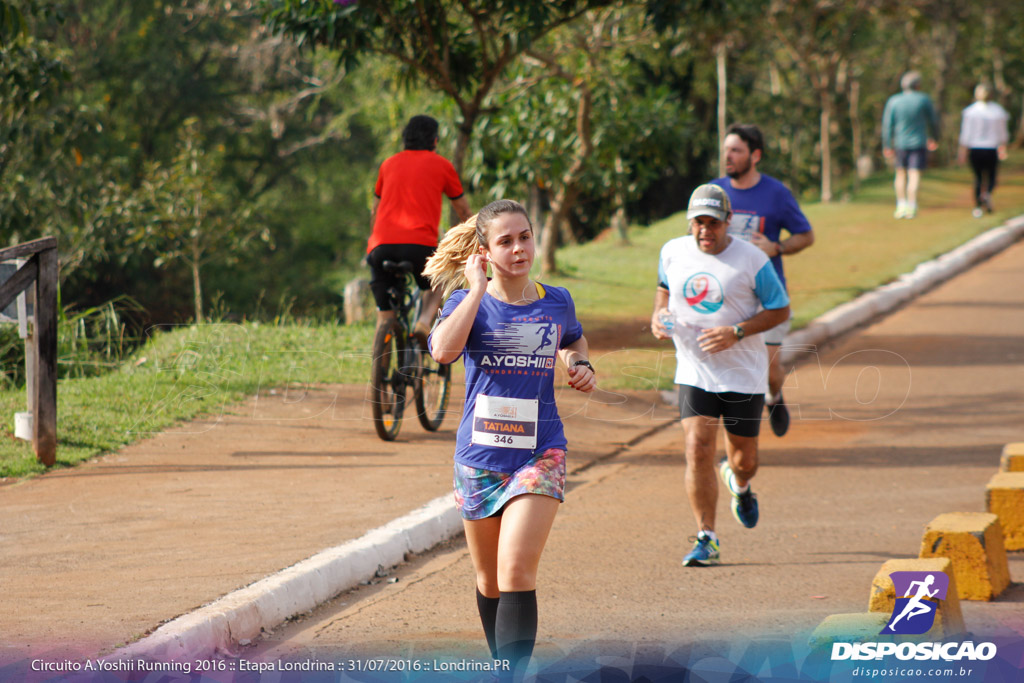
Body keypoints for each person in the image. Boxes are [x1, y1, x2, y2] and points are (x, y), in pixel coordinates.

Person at [424, 199, 596, 678]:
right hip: (479, 457)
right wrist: (477, 289)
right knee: (490, 580)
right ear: (485, 251)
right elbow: (441, 351)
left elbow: (572, 339)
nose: (519, 248)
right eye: (506, 241)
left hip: (540, 453)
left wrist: (579, 363)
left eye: (525, 237)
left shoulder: (556, 299)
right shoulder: (465, 303)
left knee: (516, 570)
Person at [651, 184, 789, 567]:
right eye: (699, 222)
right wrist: (658, 317)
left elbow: (779, 309)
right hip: (694, 369)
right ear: (689, 223)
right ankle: (706, 536)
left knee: (744, 460)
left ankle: (740, 484)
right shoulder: (672, 252)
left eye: (713, 223)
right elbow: (663, 291)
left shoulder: (752, 259)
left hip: (743, 373)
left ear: (729, 222)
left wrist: (737, 332)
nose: (705, 231)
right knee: (697, 448)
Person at [712, 123, 814, 438]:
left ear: (755, 155)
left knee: (769, 371)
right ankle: (735, 433)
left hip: (767, 299)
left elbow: (806, 235)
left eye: (736, 150)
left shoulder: (776, 193)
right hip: (724, 296)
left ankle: (775, 394)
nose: (728, 156)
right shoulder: (714, 192)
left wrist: (777, 247)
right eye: (726, 149)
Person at [367, 114, 472, 344]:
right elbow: (463, 211)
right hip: (419, 247)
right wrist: (476, 238)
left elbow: (375, 210)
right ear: (435, 141)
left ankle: (381, 373)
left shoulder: (388, 164)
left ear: (406, 138)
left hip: (380, 247)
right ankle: (424, 322)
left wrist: (375, 243)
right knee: (441, 280)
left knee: (385, 315)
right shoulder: (443, 165)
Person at [882, 71, 940, 219]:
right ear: (918, 85)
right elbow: (933, 121)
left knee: (900, 173)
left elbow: (887, 125)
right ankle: (912, 206)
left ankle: (901, 205)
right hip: (919, 143)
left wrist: (887, 144)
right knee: (914, 174)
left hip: (900, 143)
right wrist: (934, 138)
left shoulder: (894, 101)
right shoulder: (923, 100)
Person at [957, 83, 1010, 218]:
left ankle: (978, 207)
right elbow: (1002, 133)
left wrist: (962, 152)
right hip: (991, 148)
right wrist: (1003, 147)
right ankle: (986, 195)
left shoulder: (970, 111)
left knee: (978, 178)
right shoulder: (998, 111)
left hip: (975, 149)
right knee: (991, 177)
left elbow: (965, 134)